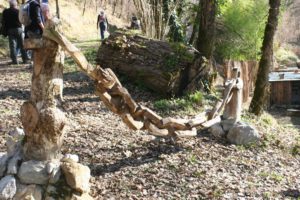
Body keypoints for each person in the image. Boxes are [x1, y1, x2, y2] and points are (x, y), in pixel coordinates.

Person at [2, 0, 29, 64]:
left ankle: (15, 61)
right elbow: (22, 20)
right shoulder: (18, 11)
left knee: (12, 46)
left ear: (10, 5)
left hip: (10, 30)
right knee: (22, 45)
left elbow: (3, 21)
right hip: (18, 29)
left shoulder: (5, 12)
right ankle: (25, 60)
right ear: (15, 5)